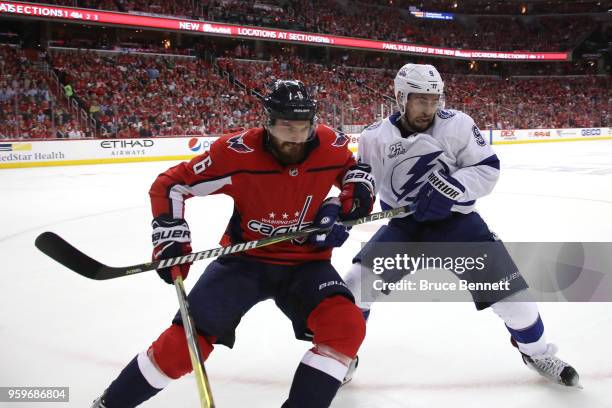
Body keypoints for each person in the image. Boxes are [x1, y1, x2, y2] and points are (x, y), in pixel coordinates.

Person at [90, 79, 375, 408]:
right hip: (244, 263)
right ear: (267, 122)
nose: (296, 138)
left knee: (346, 326)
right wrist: (171, 237)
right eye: (286, 128)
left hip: (306, 264)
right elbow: (171, 185)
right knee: (184, 347)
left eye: (303, 128)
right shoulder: (235, 152)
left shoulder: (331, 145)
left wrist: (347, 204)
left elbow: (354, 172)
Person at [342, 64, 580, 387]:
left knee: (519, 304)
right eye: (419, 100)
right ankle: (343, 355)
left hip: (459, 226)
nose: (428, 109)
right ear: (401, 98)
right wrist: (355, 201)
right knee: (355, 286)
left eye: (433, 100)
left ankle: (536, 352)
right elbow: (366, 181)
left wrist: (450, 187)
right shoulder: (374, 137)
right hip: (405, 230)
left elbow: (487, 169)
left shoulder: (458, 125)